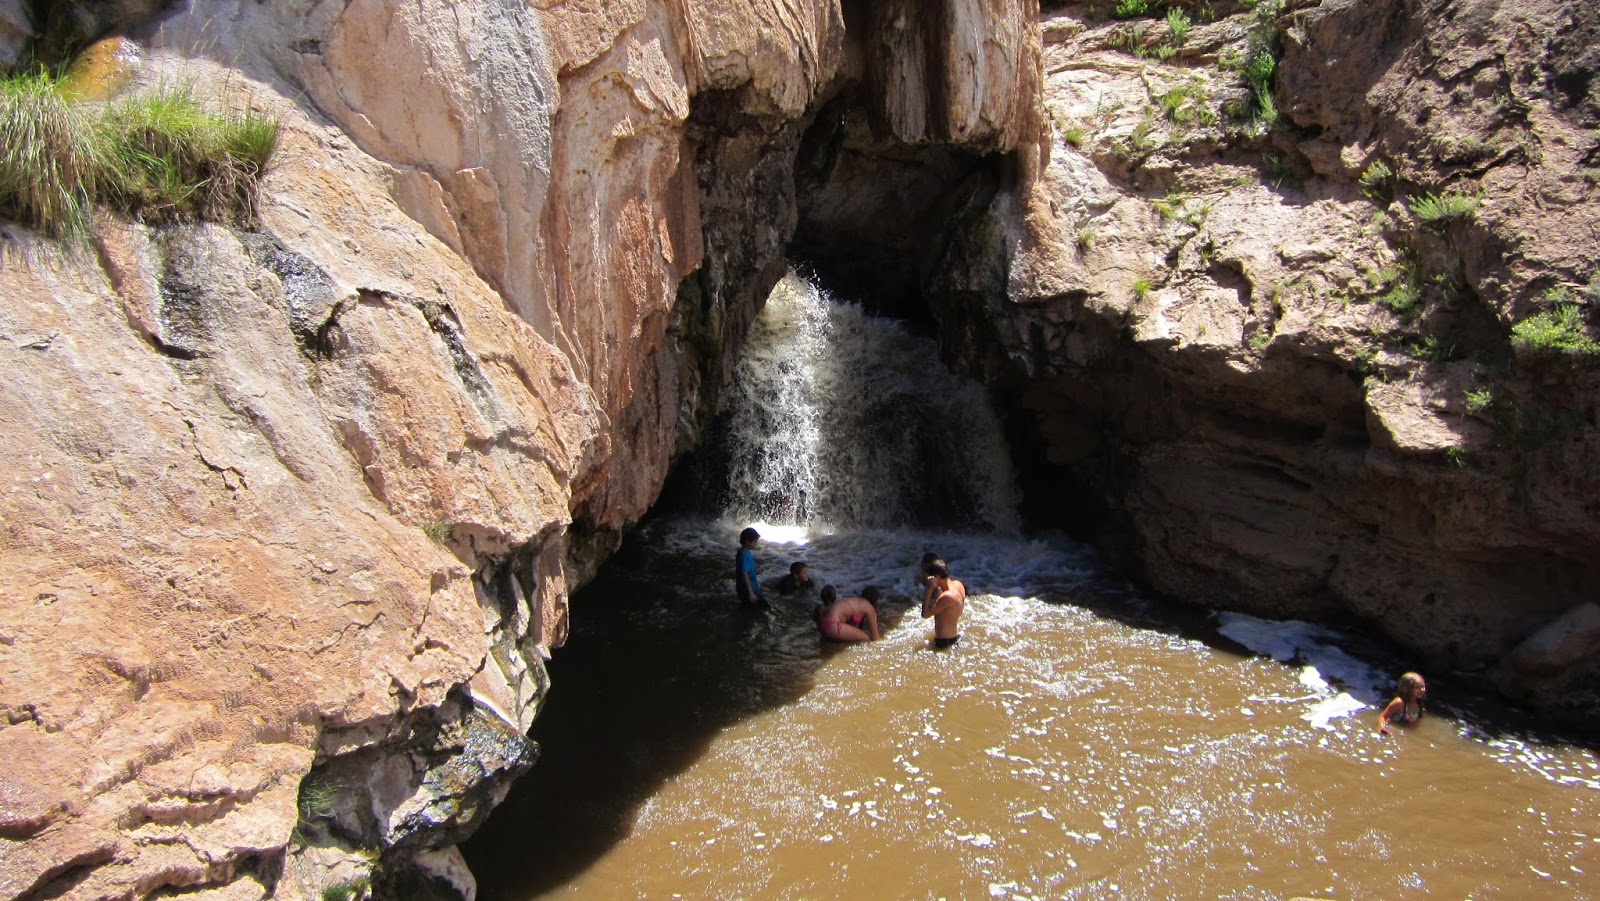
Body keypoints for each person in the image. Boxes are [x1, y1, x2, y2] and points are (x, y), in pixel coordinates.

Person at [921, 558, 965, 649]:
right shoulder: (958, 585)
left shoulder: (946, 596)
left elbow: (925, 614)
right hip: (954, 637)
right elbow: (959, 612)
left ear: (936, 577)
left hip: (943, 642)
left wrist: (929, 589)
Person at [815, 585, 882, 642]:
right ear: (875, 601)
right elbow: (875, 637)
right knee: (866, 638)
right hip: (832, 625)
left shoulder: (854, 601)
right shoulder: (869, 608)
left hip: (821, 624)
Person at [735, 527, 768, 609]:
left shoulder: (742, 552)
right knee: (764, 608)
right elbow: (744, 574)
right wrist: (751, 593)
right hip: (749, 590)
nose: (756, 544)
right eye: (755, 542)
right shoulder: (744, 555)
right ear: (747, 542)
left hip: (745, 588)